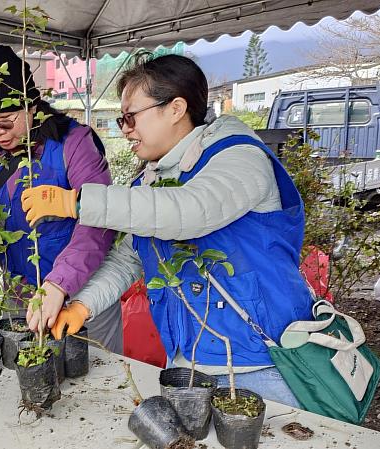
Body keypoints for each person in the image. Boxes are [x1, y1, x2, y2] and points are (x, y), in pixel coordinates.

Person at [21, 53, 313, 407]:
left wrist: (77, 203)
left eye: (131, 116)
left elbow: (190, 211)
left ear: (176, 108)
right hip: (187, 362)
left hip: (262, 363)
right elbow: (129, 258)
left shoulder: (238, 155)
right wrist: (82, 306)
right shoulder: (154, 178)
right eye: (121, 118)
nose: (124, 128)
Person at [0, 43, 122, 352]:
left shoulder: (73, 143)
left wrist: (59, 284)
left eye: (5, 121)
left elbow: (98, 224)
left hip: (82, 295)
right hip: (21, 298)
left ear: (32, 106)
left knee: (97, 383)